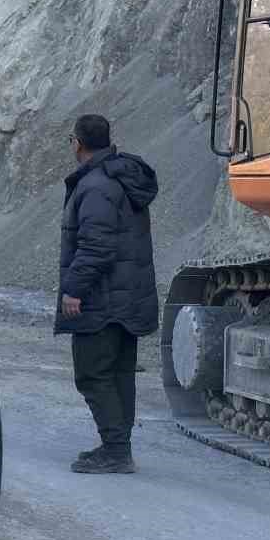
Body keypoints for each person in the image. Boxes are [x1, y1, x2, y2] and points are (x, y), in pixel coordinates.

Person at [55, 114, 160, 474]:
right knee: (119, 373)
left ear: (78, 143)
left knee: (93, 373)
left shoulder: (96, 186)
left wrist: (73, 290)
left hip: (101, 298)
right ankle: (117, 446)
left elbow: (96, 246)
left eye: (71, 139)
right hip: (126, 296)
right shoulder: (119, 177)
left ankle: (115, 450)